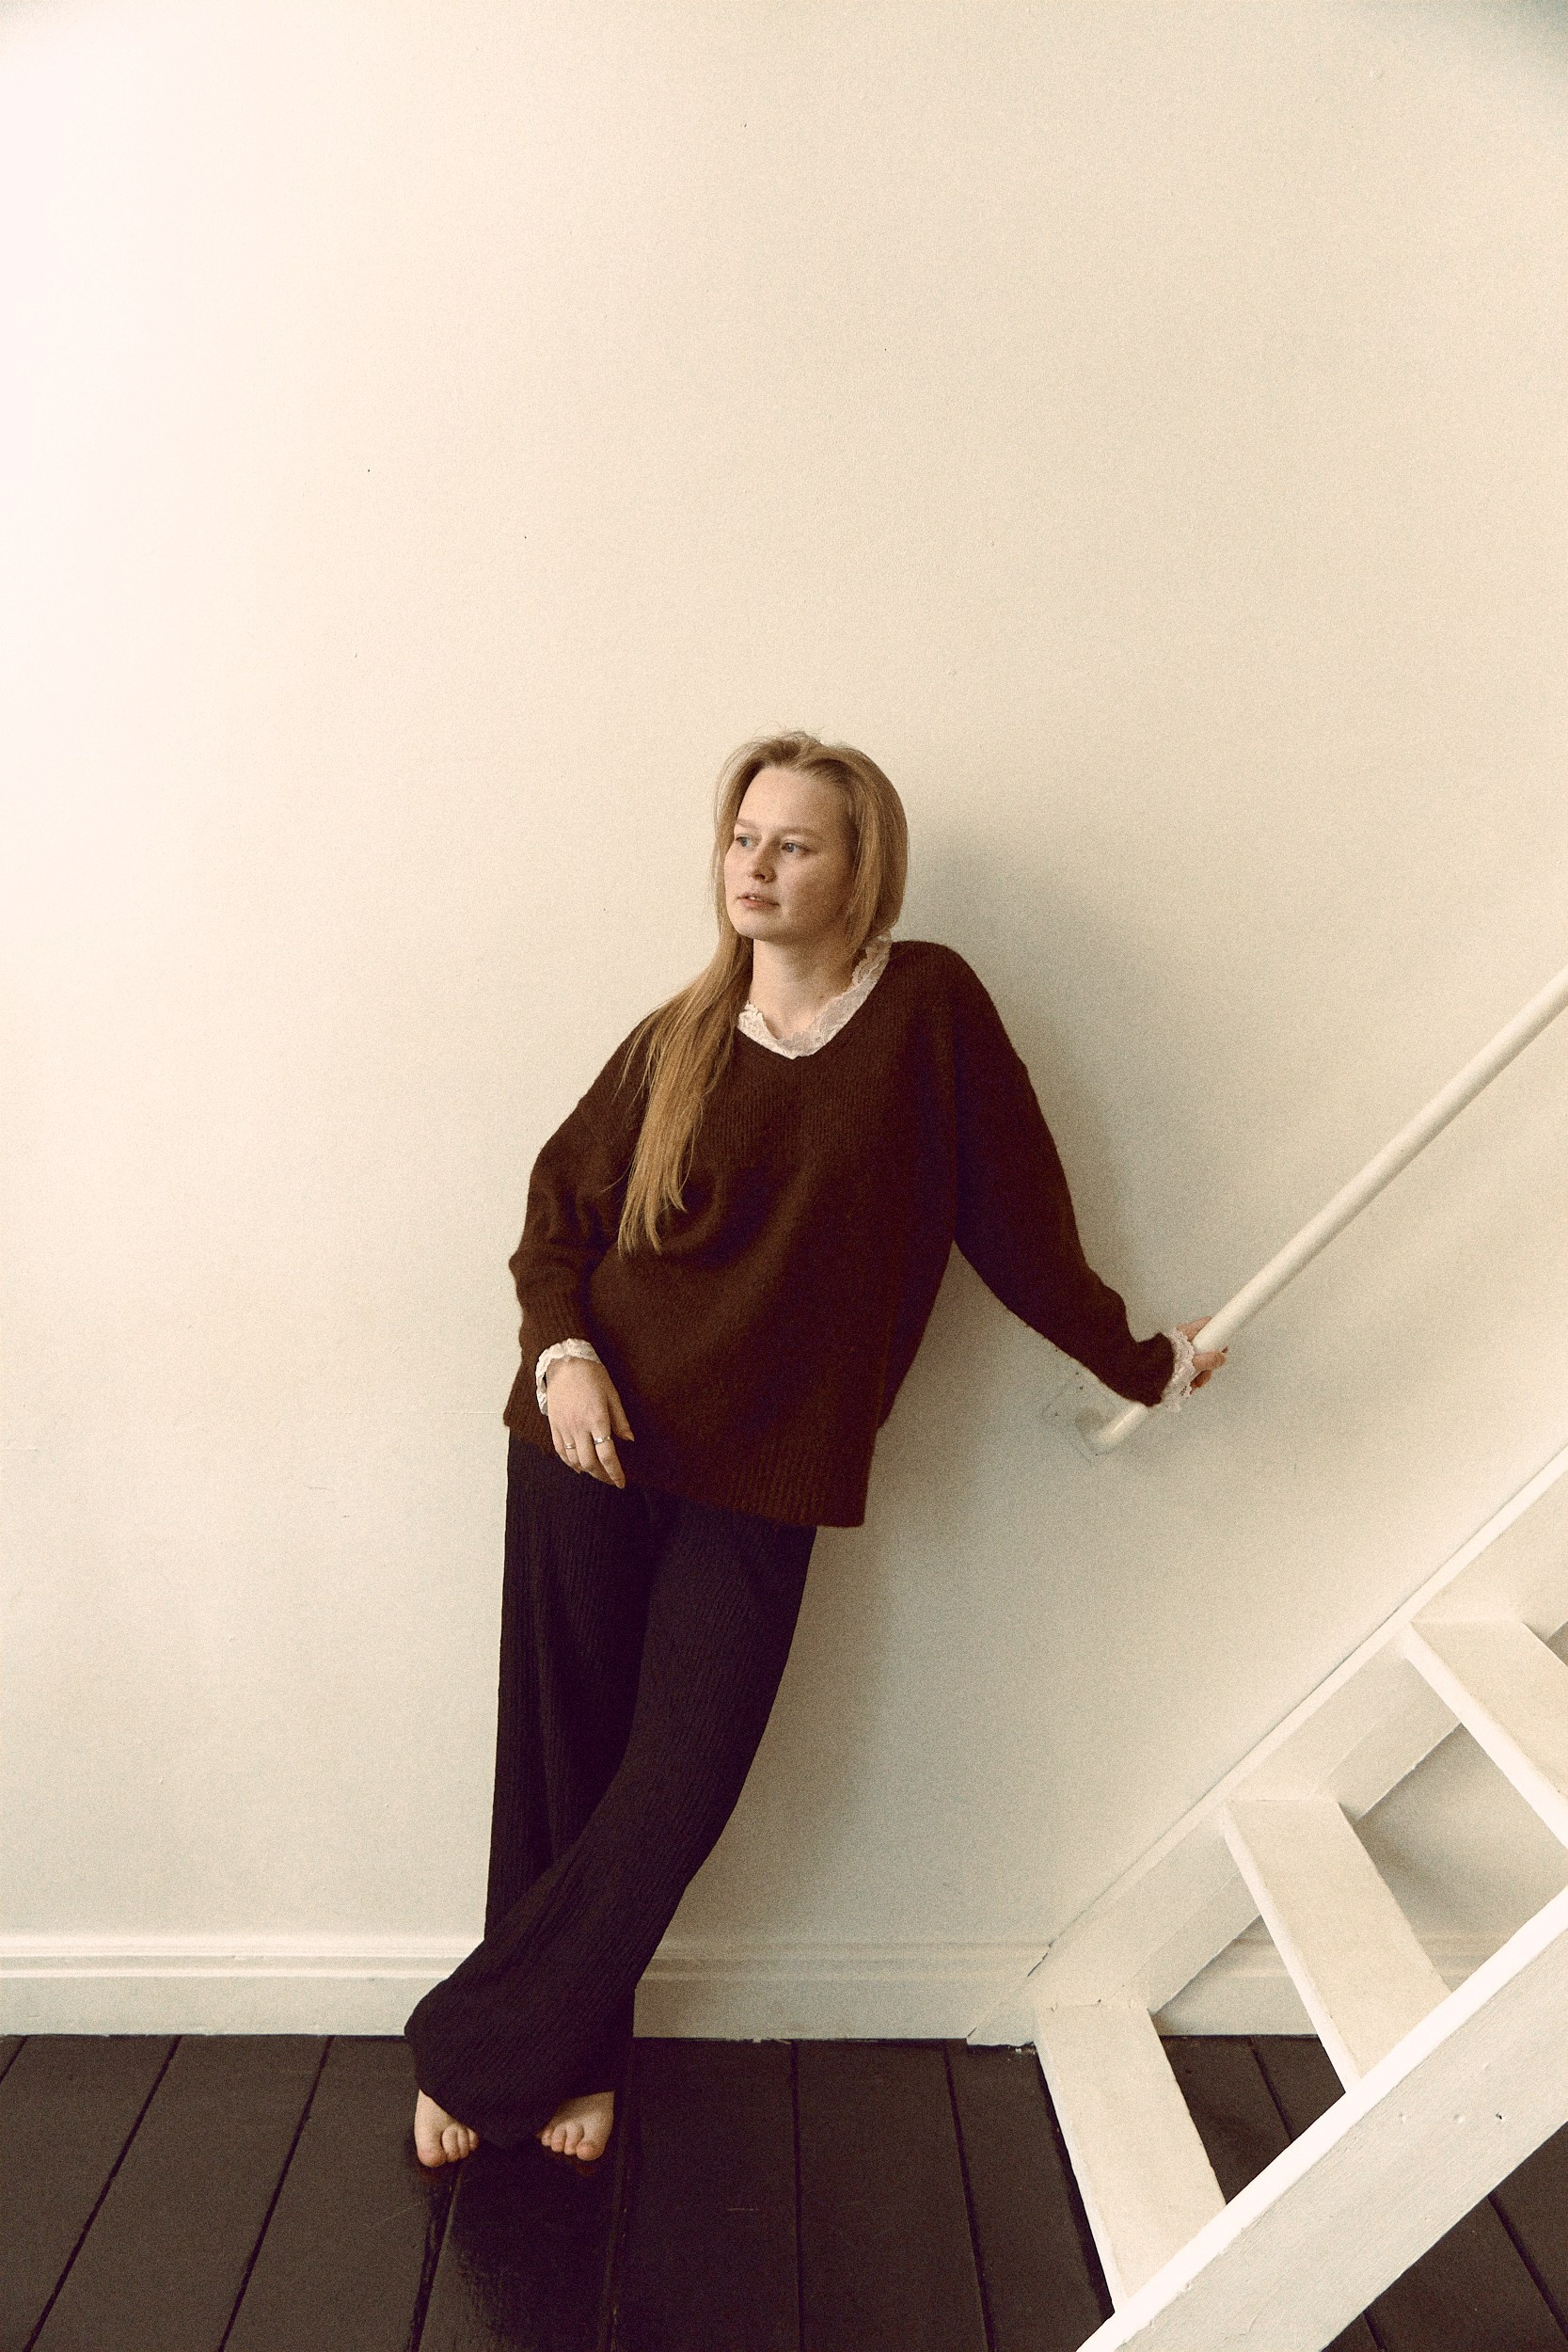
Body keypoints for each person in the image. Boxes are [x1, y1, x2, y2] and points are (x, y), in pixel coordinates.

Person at [403, 729, 1228, 2169]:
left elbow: (1017, 1223)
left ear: (862, 868)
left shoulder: (929, 1009)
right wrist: (564, 1359)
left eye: (794, 844)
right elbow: (555, 1222)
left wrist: (1138, 1361)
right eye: (743, 838)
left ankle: (479, 2048)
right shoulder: (678, 1037)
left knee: (678, 1783)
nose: (757, 866)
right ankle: (566, 2062)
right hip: (588, 1440)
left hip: (763, 1472)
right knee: (559, 1759)